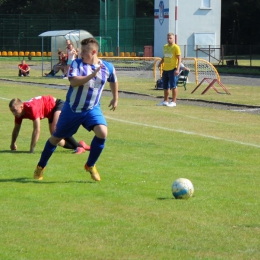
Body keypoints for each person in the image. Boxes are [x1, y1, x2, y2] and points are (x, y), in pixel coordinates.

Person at [33, 37, 118, 181]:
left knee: (102, 132)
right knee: (55, 139)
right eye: (81, 50)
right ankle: (40, 167)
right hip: (72, 110)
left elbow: (114, 80)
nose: (80, 53)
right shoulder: (76, 64)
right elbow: (73, 82)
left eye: (84, 51)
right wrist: (91, 75)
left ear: (93, 52)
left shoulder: (107, 67)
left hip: (92, 109)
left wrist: (115, 97)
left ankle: (90, 165)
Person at [9, 96, 90, 154]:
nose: (13, 113)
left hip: (57, 105)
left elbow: (37, 130)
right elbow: (16, 129)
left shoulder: (31, 108)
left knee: (57, 129)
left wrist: (32, 149)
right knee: (56, 139)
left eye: (15, 110)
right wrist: (13, 143)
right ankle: (80, 146)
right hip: (49, 113)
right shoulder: (18, 114)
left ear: (22, 106)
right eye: (12, 111)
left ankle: (78, 147)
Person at [157, 32, 181, 107]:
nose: (169, 39)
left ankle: (174, 101)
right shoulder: (165, 47)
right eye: (168, 38)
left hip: (173, 68)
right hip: (166, 69)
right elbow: (165, 56)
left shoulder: (176, 47)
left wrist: (177, 69)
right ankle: (165, 101)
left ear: (173, 38)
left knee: (173, 85)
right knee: (165, 86)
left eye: (170, 38)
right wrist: (160, 62)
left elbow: (179, 58)